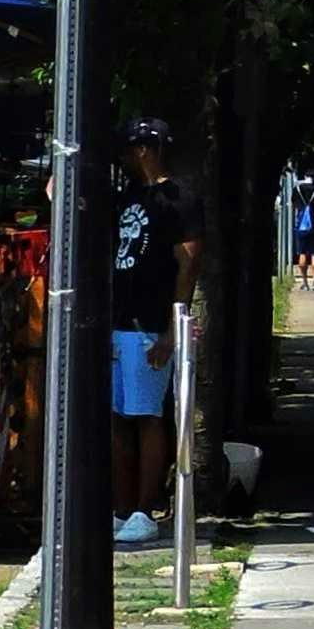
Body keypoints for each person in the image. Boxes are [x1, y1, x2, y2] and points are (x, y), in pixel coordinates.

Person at [109, 121, 201, 546]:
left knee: (148, 415)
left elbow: (187, 262)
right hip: (118, 320)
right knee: (119, 417)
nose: (126, 156)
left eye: (132, 148)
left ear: (146, 149)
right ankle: (122, 508)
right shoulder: (129, 196)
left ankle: (146, 509)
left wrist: (171, 328)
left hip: (150, 323)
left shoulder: (179, 198)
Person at [290, 172, 314, 292]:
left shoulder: (297, 189)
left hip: (301, 226)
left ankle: (304, 282)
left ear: (304, 177)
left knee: (302, 253)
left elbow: (293, 206)